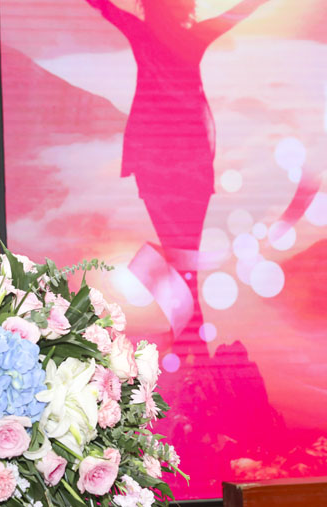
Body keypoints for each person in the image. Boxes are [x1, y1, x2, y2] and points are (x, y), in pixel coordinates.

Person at [86, 0, 269, 355]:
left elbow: (104, 6)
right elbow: (237, 13)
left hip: (155, 159)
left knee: (178, 256)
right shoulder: (192, 37)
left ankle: (188, 340)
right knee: (184, 257)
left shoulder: (142, 33)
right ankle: (190, 341)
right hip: (188, 160)